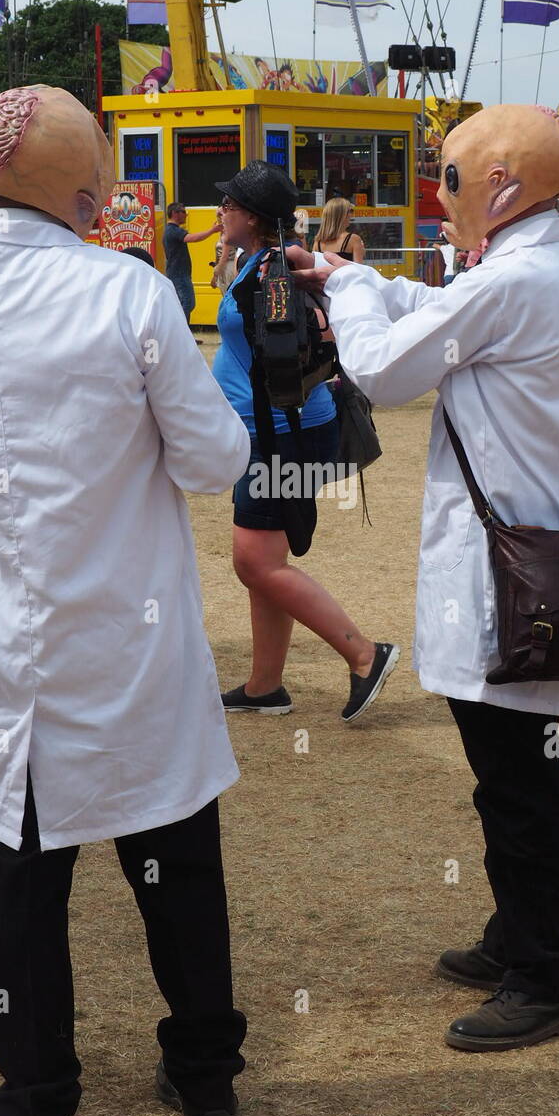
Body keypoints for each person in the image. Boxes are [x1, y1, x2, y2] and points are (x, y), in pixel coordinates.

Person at [0, 85, 252, 1116]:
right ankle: (207, 1076)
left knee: (23, 896)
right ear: (88, 194)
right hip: (129, 652)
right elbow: (217, 459)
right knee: (177, 877)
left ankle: (36, 1096)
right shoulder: (126, 296)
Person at [294, 104, 559, 1053]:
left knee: (514, 781)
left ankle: (543, 975)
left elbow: (384, 369)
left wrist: (347, 294)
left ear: (503, 185)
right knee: (510, 774)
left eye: (447, 176)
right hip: (524, 555)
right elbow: (435, 315)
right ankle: (515, 934)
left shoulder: (520, 276)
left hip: (505, 570)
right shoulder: (539, 266)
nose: (437, 195)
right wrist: (355, 274)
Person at [211, 160, 398, 721]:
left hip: (277, 435)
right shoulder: (261, 264)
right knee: (264, 560)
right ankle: (265, 686)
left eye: (228, 205)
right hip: (278, 432)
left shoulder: (271, 272)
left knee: (255, 563)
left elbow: (284, 357)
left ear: (252, 217)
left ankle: (364, 654)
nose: (220, 212)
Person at [163, 200, 221, 333]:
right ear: (174, 213)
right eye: (183, 212)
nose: (186, 215)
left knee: (184, 304)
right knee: (187, 303)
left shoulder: (171, 230)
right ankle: (179, 334)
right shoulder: (173, 231)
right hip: (179, 274)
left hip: (178, 273)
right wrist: (212, 231)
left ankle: (184, 335)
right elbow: (192, 238)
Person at [313, 196, 366, 263]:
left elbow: (315, 267)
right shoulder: (353, 239)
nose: (352, 215)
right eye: (350, 211)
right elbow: (359, 270)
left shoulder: (318, 242)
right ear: (342, 215)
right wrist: (361, 253)